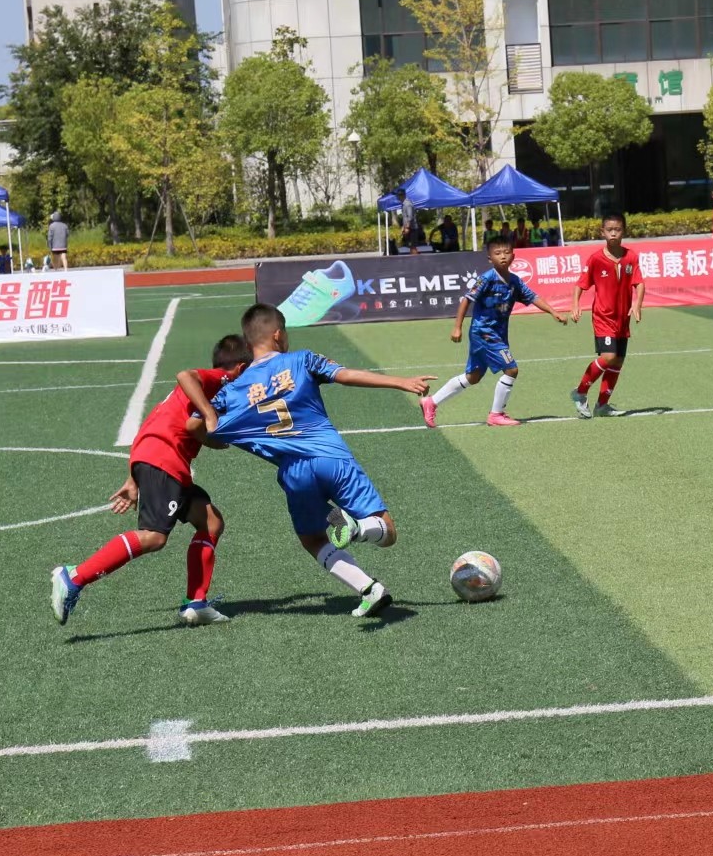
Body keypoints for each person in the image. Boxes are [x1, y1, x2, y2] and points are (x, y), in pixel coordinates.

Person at [202, 304, 435, 618]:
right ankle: (359, 529)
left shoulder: (234, 390)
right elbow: (346, 375)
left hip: (294, 473)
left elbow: (196, 426)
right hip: (330, 458)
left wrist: (214, 441)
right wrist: (401, 382)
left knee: (312, 539)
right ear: (278, 334)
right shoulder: (301, 359)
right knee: (387, 533)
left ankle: (369, 589)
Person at [51, 335, 255, 628]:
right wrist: (211, 414)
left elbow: (166, 426)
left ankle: (196, 604)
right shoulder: (220, 379)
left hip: (163, 460)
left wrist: (133, 475)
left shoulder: (194, 396)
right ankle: (74, 578)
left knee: (211, 521)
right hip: (165, 460)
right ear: (239, 368)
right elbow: (184, 375)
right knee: (154, 536)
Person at [423, 239, 569, 429]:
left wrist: (553, 312)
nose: (503, 256)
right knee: (511, 369)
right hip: (484, 332)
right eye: (498, 253)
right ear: (490, 258)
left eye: (506, 252)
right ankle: (496, 414)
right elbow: (467, 300)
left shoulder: (514, 281)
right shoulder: (486, 279)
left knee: (473, 376)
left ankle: (431, 402)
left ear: (513, 257)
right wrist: (457, 327)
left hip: (496, 334)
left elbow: (533, 297)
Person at [569, 212, 644, 419]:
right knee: (608, 357)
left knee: (617, 361)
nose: (613, 233)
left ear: (624, 231)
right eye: (609, 230)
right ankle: (580, 391)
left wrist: (637, 303)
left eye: (617, 229)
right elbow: (580, 284)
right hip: (603, 318)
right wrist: (575, 304)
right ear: (602, 232)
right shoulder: (595, 259)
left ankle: (602, 405)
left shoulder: (631, 257)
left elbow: (639, 283)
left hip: (623, 319)